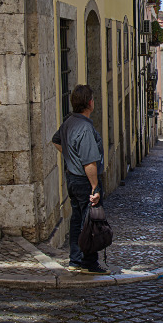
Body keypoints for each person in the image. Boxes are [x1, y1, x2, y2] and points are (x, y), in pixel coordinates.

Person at [52, 84, 109, 275]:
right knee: (90, 222)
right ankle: (89, 263)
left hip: (72, 179)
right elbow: (89, 162)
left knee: (77, 220)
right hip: (85, 181)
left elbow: (56, 140)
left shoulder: (69, 121)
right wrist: (95, 188)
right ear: (90, 103)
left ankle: (75, 260)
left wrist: (70, 156)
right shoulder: (85, 128)